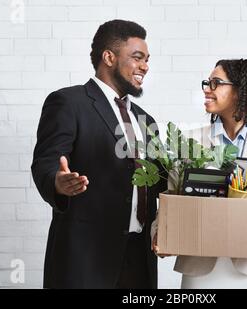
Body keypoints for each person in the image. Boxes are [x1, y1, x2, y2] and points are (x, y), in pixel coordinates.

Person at [32, 19, 166, 289]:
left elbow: (160, 180)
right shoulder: (69, 102)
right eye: (137, 58)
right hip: (86, 258)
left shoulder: (145, 119)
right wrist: (57, 182)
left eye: (147, 60)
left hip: (139, 258)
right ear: (109, 57)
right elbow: (47, 161)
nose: (145, 67)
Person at [152, 59, 247, 289]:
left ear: (240, 91)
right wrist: (160, 233)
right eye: (207, 83)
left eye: (216, 83)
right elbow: (170, 199)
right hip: (200, 268)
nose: (207, 89)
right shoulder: (189, 142)